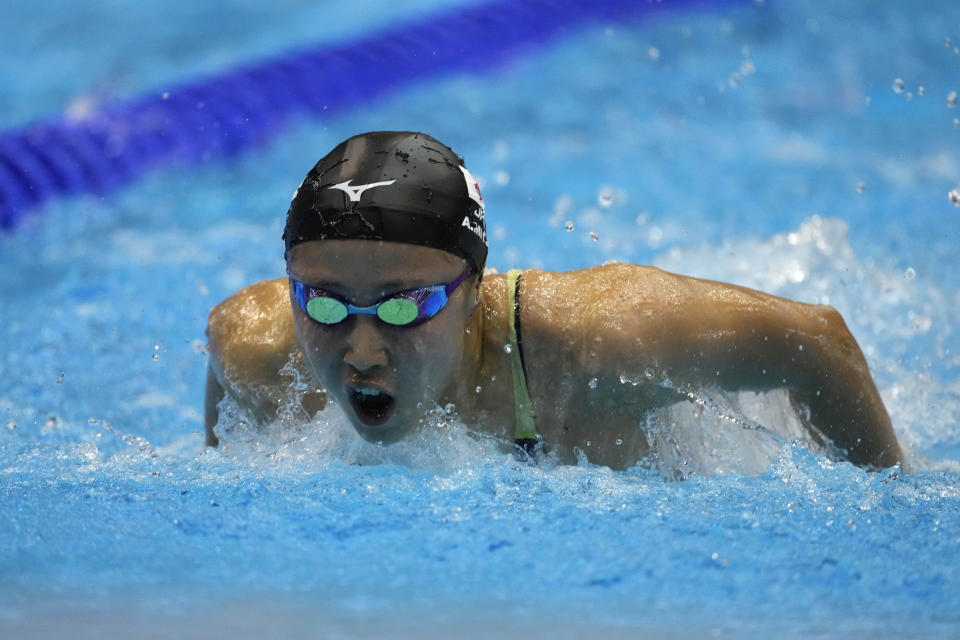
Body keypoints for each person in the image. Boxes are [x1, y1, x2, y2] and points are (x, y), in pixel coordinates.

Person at [204, 131, 904, 470]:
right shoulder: (257, 345)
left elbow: (817, 339)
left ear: (475, 291)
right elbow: (225, 428)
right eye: (325, 305)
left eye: (402, 306)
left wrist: (887, 503)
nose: (359, 351)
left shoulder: (601, 342)